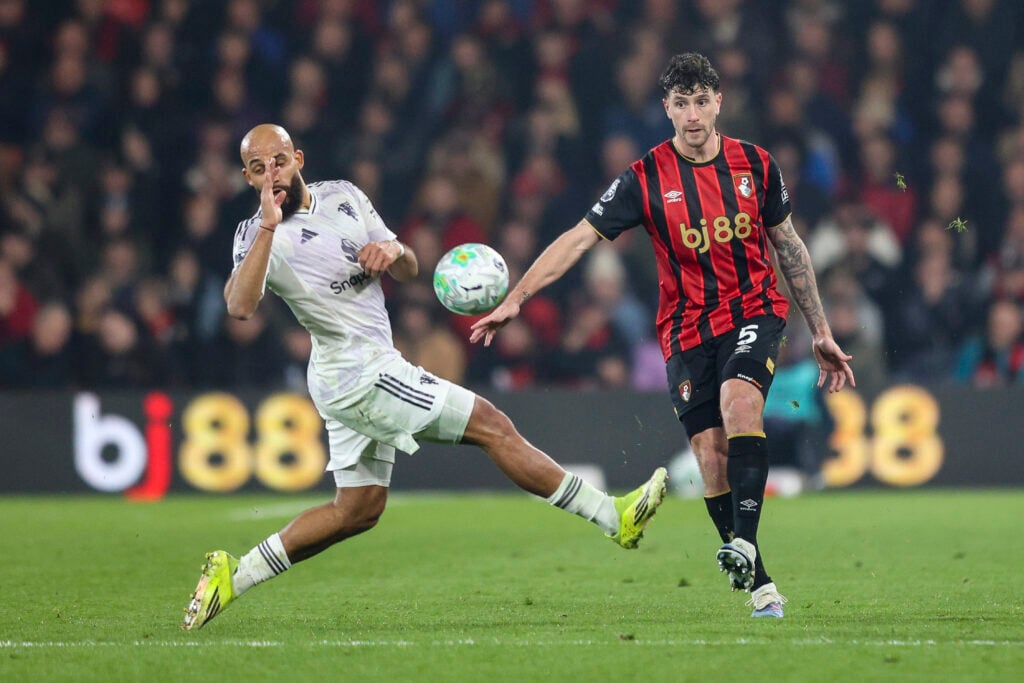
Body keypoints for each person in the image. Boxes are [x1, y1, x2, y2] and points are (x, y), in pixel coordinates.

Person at [181, 124, 668, 631]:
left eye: (279, 162)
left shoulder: (344, 196)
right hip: (359, 373)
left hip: (355, 369)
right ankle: (612, 516)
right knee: (491, 424)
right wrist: (267, 225)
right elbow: (239, 306)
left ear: (298, 158)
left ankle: (235, 575)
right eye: (258, 169)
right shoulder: (256, 234)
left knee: (358, 510)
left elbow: (410, 268)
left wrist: (395, 254)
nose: (271, 175)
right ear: (246, 177)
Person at [472, 53, 856, 619]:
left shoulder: (756, 164)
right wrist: (517, 297)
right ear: (666, 109)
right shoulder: (644, 177)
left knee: (739, 401)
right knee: (709, 456)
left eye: (701, 101)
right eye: (681, 104)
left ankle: (745, 544)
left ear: (719, 102)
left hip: (753, 309)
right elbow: (578, 238)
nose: (693, 115)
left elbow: (789, 246)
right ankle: (760, 585)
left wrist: (820, 330)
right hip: (685, 328)